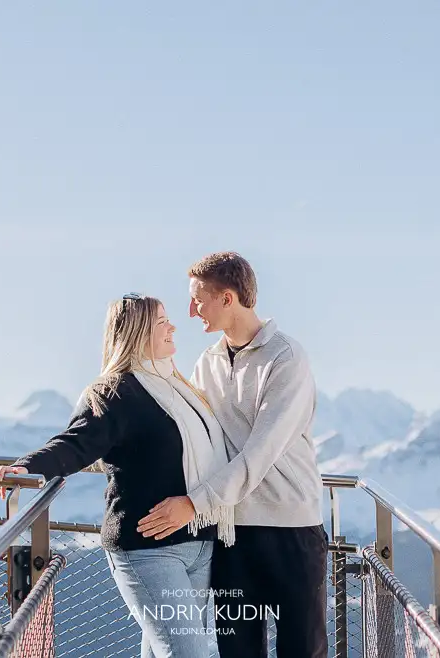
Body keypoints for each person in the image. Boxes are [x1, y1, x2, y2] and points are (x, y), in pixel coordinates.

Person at [0, 293, 234, 658]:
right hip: (149, 550)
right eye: (161, 322)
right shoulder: (115, 392)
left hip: (199, 542)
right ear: (137, 332)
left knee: (164, 651)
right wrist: (27, 467)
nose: (173, 327)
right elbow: (76, 443)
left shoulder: (182, 390)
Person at [136, 252, 328, 658]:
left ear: (227, 299)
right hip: (231, 535)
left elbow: (260, 453)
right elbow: (189, 435)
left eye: (198, 300)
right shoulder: (207, 363)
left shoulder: (286, 358)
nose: (191, 311)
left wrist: (193, 504)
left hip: (290, 532)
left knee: (302, 651)